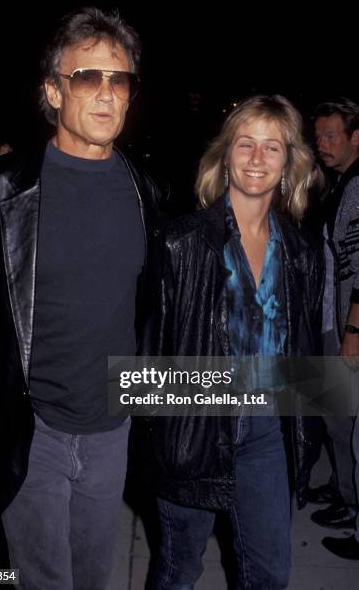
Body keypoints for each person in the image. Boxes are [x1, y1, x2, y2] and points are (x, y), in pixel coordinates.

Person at [0, 6, 160, 590]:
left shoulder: (147, 193)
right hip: (29, 427)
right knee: (41, 580)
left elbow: (150, 309)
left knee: (94, 577)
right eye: (86, 77)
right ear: (52, 91)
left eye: (119, 80)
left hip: (111, 430)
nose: (106, 93)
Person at [136, 95, 323, 589]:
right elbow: (151, 350)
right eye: (246, 144)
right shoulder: (181, 243)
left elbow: (305, 354)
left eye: (272, 148)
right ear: (225, 156)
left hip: (265, 432)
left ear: (289, 163)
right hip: (194, 426)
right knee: (179, 570)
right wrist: (159, 439)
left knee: (269, 574)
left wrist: (313, 423)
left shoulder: (304, 251)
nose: (257, 159)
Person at [310, 98, 359, 557]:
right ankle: (346, 493)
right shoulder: (341, 184)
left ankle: (352, 504)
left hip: (349, 327)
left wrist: (352, 331)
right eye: (319, 136)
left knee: (347, 422)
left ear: (356, 137)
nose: (323, 144)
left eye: (333, 136)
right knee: (335, 418)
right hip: (333, 319)